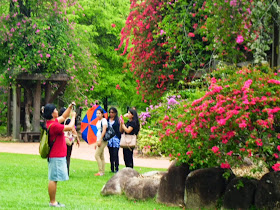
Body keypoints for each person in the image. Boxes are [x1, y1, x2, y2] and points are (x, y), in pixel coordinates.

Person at [42, 102, 76, 208]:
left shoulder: (51, 123)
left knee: (54, 178)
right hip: (56, 156)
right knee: (53, 179)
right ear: (52, 114)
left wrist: (70, 107)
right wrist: (74, 117)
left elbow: (64, 116)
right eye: (55, 110)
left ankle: (53, 201)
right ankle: (53, 202)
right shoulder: (55, 126)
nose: (57, 111)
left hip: (56, 155)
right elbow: (70, 127)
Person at [59, 107, 80, 176]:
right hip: (68, 140)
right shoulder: (68, 120)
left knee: (61, 157)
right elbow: (73, 129)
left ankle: (61, 172)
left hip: (61, 140)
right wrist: (77, 139)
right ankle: (66, 172)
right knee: (67, 156)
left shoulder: (59, 120)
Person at [107, 107, 121, 173]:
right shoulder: (107, 120)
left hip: (116, 139)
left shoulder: (117, 120)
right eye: (110, 112)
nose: (111, 114)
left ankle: (117, 167)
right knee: (111, 154)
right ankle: (112, 167)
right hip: (109, 139)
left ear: (115, 113)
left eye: (112, 112)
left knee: (115, 153)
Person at [94, 108, 108, 176]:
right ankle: (102, 172)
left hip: (102, 140)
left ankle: (100, 171)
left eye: (99, 113)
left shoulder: (104, 120)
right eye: (97, 113)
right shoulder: (98, 121)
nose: (98, 115)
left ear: (102, 114)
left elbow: (104, 130)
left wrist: (100, 140)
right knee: (101, 156)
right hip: (99, 139)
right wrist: (96, 141)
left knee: (96, 155)